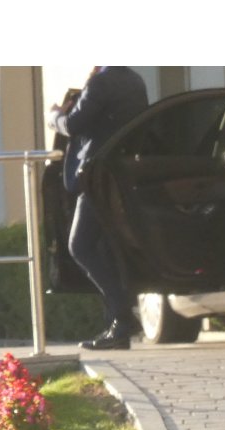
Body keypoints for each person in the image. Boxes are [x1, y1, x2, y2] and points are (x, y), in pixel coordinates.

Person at [49, 66, 150, 351]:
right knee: (104, 248)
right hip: (117, 172)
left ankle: (122, 317)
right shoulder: (134, 80)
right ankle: (117, 325)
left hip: (96, 174)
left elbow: (72, 125)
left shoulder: (102, 83)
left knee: (80, 246)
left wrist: (53, 115)